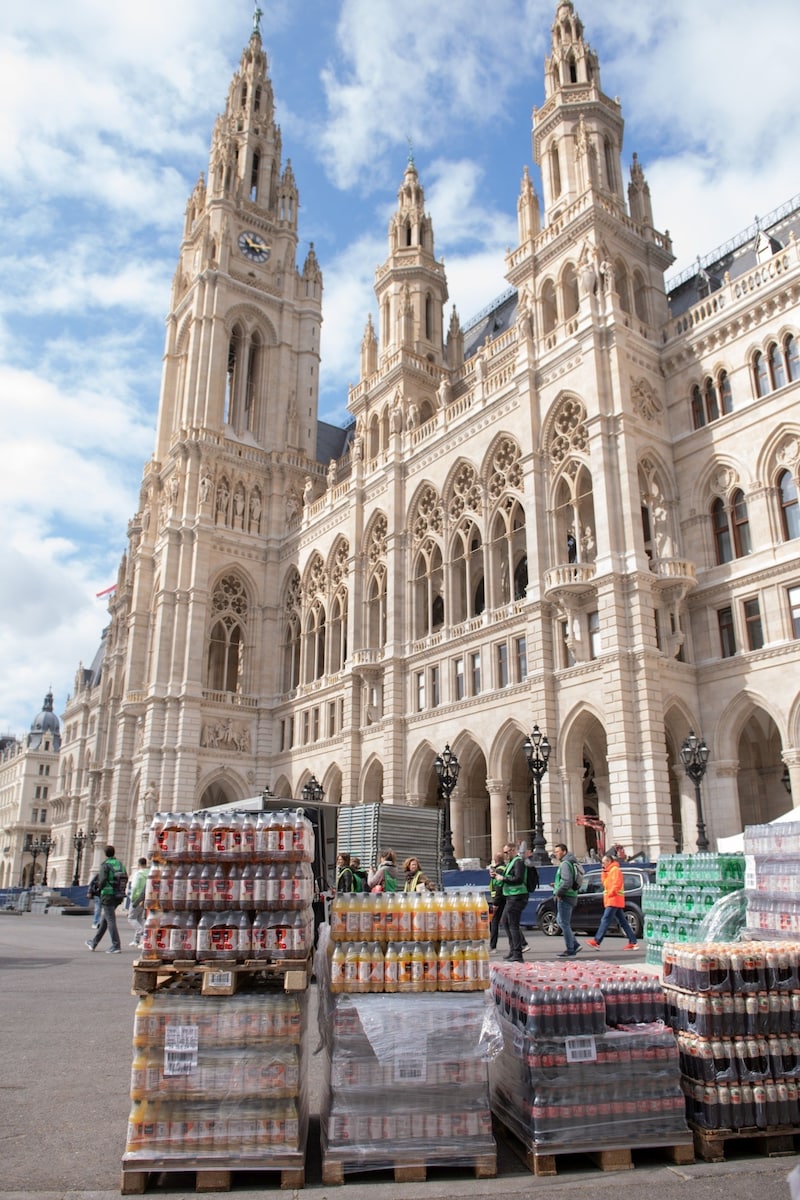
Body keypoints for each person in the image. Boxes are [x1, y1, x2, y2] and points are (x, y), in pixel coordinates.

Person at [586, 853, 638, 950]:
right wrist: (604, 872)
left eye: (603, 862)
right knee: (623, 922)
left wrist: (610, 893)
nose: (602, 864)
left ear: (609, 861)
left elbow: (616, 885)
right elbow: (605, 883)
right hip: (614, 899)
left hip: (613, 899)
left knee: (605, 920)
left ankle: (597, 941)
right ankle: (633, 942)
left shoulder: (615, 870)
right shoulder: (609, 871)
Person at [85, 845, 126, 954]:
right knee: (105, 920)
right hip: (118, 895)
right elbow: (125, 876)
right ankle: (94, 942)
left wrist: (98, 888)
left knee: (110, 920)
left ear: (105, 854)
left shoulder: (105, 865)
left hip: (107, 895)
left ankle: (116, 945)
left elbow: (102, 880)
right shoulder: (120, 864)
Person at [500, 838, 529, 962]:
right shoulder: (512, 862)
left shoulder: (518, 862)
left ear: (513, 851)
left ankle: (518, 953)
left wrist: (503, 879)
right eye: (504, 853)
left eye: (506, 852)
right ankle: (513, 951)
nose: (505, 855)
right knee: (506, 921)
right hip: (511, 896)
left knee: (513, 925)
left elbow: (518, 878)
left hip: (517, 896)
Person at [552, 842, 582, 958]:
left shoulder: (565, 864)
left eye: (557, 852)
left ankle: (571, 949)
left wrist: (559, 892)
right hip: (571, 894)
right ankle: (574, 944)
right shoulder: (571, 862)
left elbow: (567, 881)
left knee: (564, 923)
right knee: (560, 921)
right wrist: (556, 885)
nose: (556, 854)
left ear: (564, 852)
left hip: (566, 896)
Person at [127, 857, 149, 948]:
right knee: (139, 918)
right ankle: (136, 940)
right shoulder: (149, 873)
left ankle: (142, 932)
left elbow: (134, 887)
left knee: (131, 918)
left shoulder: (138, 874)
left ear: (139, 865)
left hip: (137, 898)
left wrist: (132, 898)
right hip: (145, 898)